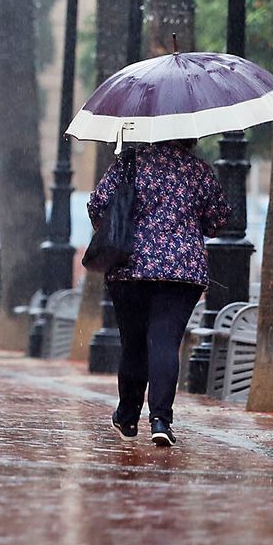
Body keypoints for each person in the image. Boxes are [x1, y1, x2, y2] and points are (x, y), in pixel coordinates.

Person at [88, 137, 231, 448]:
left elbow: (97, 206)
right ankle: (161, 419)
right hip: (181, 272)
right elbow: (218, 220)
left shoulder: (128, 164)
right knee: (166, 341)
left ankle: (127, 415)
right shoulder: (198, 170)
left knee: (134, 343)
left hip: (131, 267)